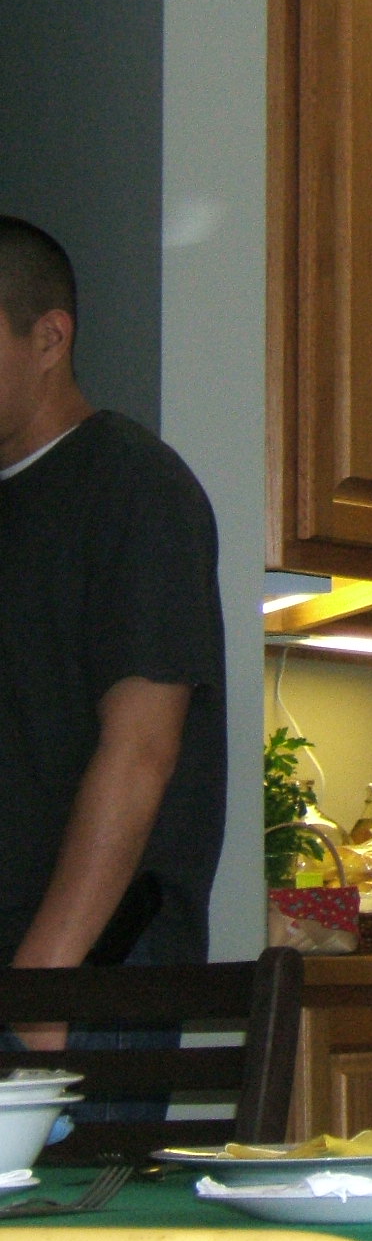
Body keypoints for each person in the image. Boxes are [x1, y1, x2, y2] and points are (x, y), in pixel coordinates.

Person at [0, 217, 226, 1049]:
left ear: (49, 337)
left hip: (89, 977)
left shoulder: (134, 488)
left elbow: (141, 751)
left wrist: (46, 983)